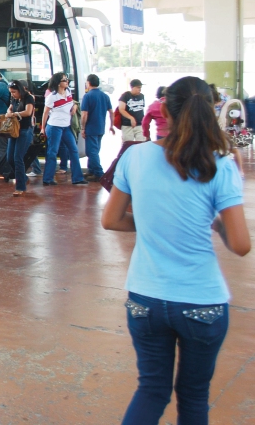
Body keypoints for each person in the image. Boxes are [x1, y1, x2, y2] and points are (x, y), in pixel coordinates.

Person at [101, 76, 251, 425]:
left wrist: (156, 221)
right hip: (201, 303)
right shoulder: (221, 164)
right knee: (194, 397)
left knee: (151, 390)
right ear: (213, 111)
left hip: (144, 300)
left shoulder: (136, 156)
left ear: (164, 110)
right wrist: (210, 223)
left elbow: (111, 220)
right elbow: (241, 245)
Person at [41, 72, 87, 186]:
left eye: (67, 80)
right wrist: (43, 128)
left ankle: (77, 178)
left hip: (66, 127)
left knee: (73, 150)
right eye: (64, 80)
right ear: (58, 83)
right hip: (54, 127)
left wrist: (75, 106)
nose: (67, 82)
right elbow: (45, 113)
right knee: (53, 152)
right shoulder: (52, 97)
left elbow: (72, 102)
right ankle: (48, 178)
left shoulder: (68, 92)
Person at [80, 73, 115, 181]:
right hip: (101, 127)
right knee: (94, 150)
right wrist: (111, 125)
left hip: (91, 128)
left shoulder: (88, 96)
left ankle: (99, 173)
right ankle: (92, 171)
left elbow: (84, 114)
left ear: (88, 83)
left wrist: (82, 128)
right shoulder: (105, 96)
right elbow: (111, 112)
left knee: (92, 151)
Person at [6, 80, 35, 196]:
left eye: (14, 92)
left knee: (18, 157)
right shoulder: (14, 99)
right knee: (10, 158)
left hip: (24, 130)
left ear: (20, 90)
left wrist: (14, 114)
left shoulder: (28, 98)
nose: (12, 94)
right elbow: (10, 108)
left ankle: (20, 187)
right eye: (11, 92)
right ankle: (23, 177)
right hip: (14, 130)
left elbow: (28, 112)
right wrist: (9, 111)